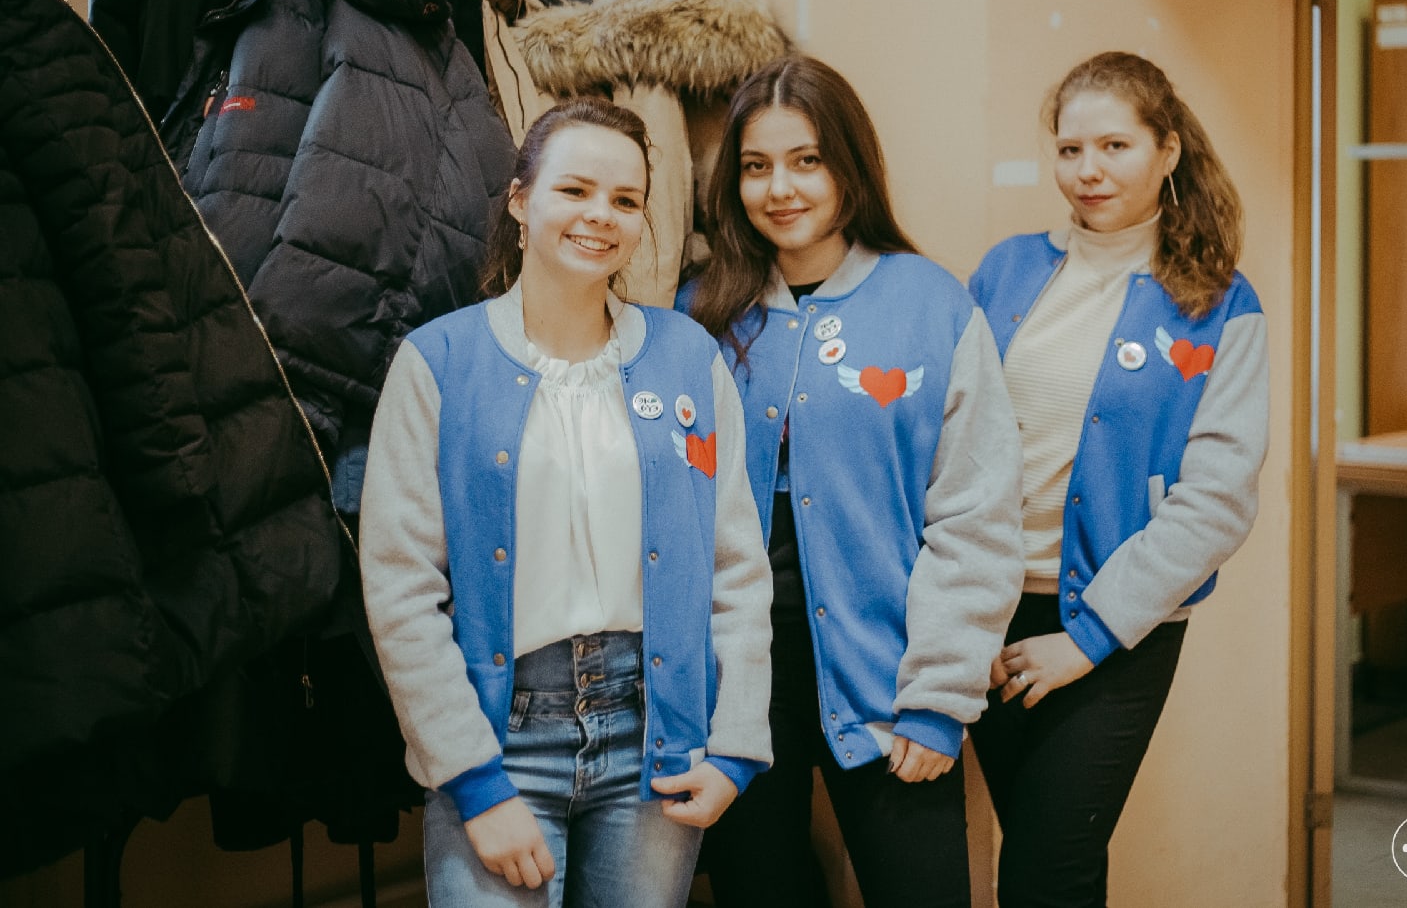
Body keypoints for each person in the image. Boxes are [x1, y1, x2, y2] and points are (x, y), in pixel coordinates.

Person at [358, 97, 774, 907]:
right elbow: (401, 588)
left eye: (625, 200)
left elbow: (735, 565)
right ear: (520, 200)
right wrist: (473, 781)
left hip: (655, 734)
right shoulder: (438, 363)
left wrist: (735, 745)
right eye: (575, 190)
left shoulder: (687, 358)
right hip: (500, 734)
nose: (601, 216)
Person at [680, 55, 1024, 908]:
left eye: (807, 160)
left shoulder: (931, 305)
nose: (780, 189)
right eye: (756, 166)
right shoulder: (698, 312)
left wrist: (939, 698)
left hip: (890, 676)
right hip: (736, 685)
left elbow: (976, 514)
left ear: (849, 166)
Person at [967, 51, 1269, 907]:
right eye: (1070, 150)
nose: (1088, 171)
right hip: (990, 613)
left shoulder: (1218, 302)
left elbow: (1218, 499)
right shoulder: (1005, 271)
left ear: (1167, 150)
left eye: (1114, 147)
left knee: (1045, 871)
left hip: (1119, 624)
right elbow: (953, 441)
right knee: (1046, 860)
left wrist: (1089, 636)